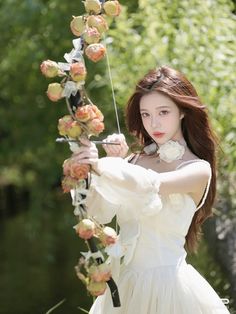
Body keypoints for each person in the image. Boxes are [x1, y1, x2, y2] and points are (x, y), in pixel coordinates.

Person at [75, 66, 230, 313]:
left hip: (171, 290)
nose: (153, 123)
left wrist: (102, 166)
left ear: (182, 111)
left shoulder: (198, 169)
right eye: (145, 114)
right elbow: (98, 213)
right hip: (125, 289)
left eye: (163, 112)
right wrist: (96, 167)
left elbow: (151, 185)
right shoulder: (131, 163)